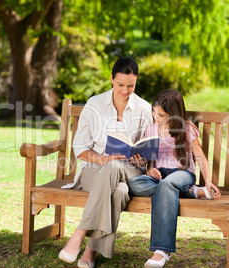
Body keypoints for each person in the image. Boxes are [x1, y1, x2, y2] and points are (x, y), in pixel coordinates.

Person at [58, 57, 152, 268]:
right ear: (111, 79)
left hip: (131, 171)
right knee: (118, 191)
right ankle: (90, 252)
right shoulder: (95, 104)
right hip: (95, 170)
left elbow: (148, 150)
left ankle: (79, 234)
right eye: (120, 85)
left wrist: (142, 157)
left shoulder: (145, 109)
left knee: (116, 170)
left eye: (131, 86)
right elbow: (80, 148)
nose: (125, 91)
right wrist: (103, 158)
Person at [128, 89, 221, 268]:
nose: (156, 117)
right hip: (160, 176)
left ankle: (162, 250)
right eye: (154, 112)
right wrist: (150, 169)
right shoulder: (151, 128)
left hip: (182, 173)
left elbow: (200, 157)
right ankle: (193, 193)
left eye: (161, 115)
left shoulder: (186, 128)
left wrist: (207, 181)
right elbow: (150, 158)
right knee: (134, 183)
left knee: (168, 185)